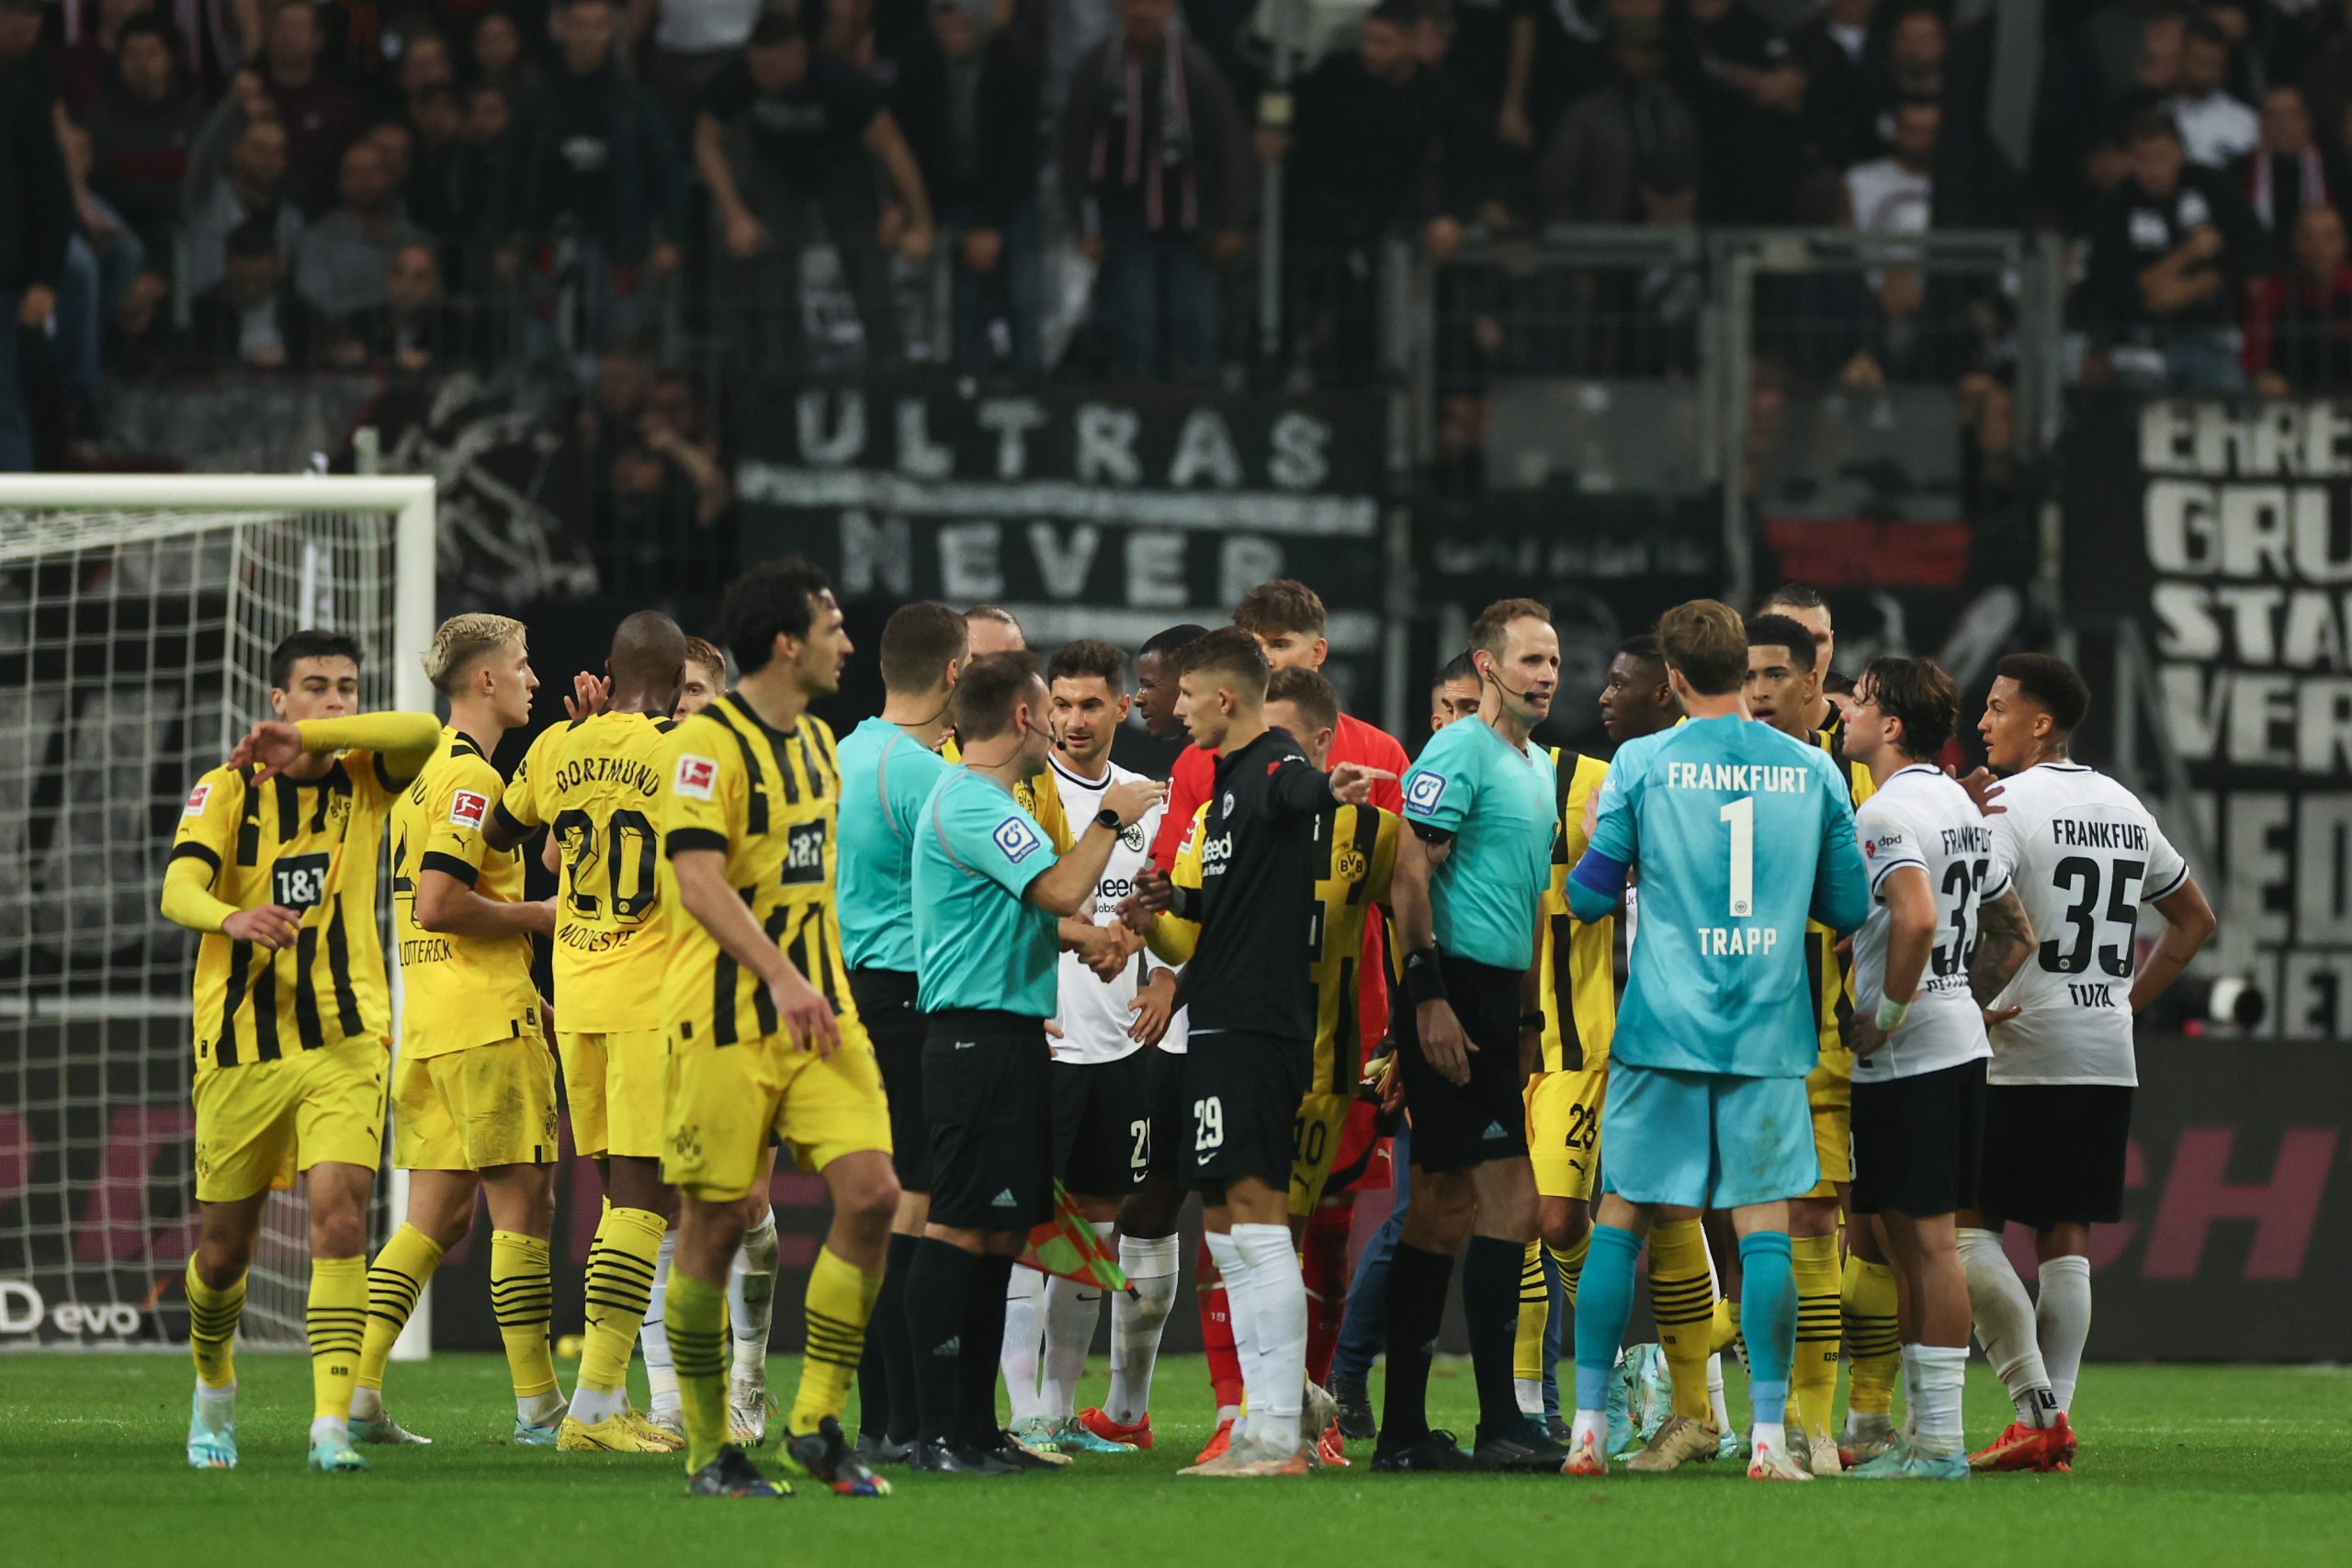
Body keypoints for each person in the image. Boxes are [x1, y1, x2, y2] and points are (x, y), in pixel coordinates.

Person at [1563, 598, 1869, 1483]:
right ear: (1744, 669)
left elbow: (1588, 897)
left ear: (1671, 679)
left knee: (1620, 1217)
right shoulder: (1810, 771)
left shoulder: (1642, 762)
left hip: (1660, 1027)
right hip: (1768, 1031)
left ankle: (1587, 1429)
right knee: (1764, 1228)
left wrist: (1597, 844)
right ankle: (1770, 1439)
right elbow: (1847, 908)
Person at [652, 558, 901, 1500]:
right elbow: (699, 880)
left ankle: (815, 1423)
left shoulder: (818, 745)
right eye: (833, 626)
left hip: (818, 1015)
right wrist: (783, 978)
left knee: (873, 1192)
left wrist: (814, 986)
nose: (847, 642)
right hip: (724, 1023)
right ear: (787, 642)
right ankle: (710, 1451)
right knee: (712, 1230)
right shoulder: (706, 745)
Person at [164, 633, 440, 1473]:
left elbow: (424, 732)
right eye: (313, 688)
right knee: (224, 1253)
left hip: (347, 1037)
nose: (333, 700)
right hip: (242, 1047)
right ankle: (214, 1387)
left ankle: (328, 1423)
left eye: (345, 688)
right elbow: (176, 889)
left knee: (343, 1214)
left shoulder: (364, 776)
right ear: (275, 699)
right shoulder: (226, 787)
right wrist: (231, 917)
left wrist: (318, 740)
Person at [1119, 633, 1383, 1478]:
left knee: (1261, 1224)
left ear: (1224, 699)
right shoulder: (1227, 790)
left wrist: (1328, 785)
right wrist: (1175, 896)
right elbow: (1228, 900)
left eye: (1188, 694)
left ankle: (1275, 1433)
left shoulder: (1268, 766)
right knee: (1232, 1230)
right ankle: (1261, 1429)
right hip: (1224, 1025)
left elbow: (1301, 790)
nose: (1176, 707)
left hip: (1262, 1029)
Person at [902, 650, 1162, 1473]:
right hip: (975, 1038)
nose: (1058, 722)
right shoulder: (979, 802)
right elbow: (1055, 889)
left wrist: (1090, 935)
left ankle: (976, 1427)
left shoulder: (986, 800)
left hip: (1008, 1036)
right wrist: (1112, 818)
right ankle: (935, 1426)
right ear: (1023, 716)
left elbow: (1034, 916)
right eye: (1051, 706)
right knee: (957, 1226)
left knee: (998, 1228)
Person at [1956, 654, 2216, 1473]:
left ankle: (2033, 1405)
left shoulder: (2005, 803)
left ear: (2042, 722)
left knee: (1965, 1226)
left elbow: (1992, 918)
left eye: (1999, 709)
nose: (1985, 722)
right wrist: (2123, 1004)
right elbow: (2194, 918)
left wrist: (1967, 998)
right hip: (2103, 1050)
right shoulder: (2121, 803)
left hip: (2017, 1041)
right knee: (2064, 1236)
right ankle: (2056, 1422)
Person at [487, 611, 692, 1455]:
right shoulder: (684, 755)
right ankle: (598, 1405)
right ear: (680, 683)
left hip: (573, 991)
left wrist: (576, 751)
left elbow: (503, 832)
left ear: (609, 667)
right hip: (649, 998)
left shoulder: (555, 748)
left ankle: (601, 1398)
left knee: (619, 1195)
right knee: (652, 1199)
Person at [353, 616, 560, 1448]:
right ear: (484, 681)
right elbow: (441, 900)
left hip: (433, 1020)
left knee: (435, 1220)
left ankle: (357, 1393)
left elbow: (422, 911)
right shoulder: (473, 780)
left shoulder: (422, 776)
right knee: (525, 1210)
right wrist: (539, 915)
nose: (532, 678)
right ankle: (542, 1406)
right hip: (483, 1022)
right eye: (521, 664)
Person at [1379, 598, 1567, 1473]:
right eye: (1530, 659)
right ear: (1487, 667)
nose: (1547, 673)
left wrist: (1525, 1020)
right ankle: (1500, 1421)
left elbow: (1528, 897)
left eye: (1554, 659)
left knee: (1443, 1207)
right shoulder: (1458, 749)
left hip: (1496, 1004)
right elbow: (1409, 870)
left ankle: (1403, 1432)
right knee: (1510, 1202)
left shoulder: (1534, 765)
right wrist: (1426, 998)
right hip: (1449, 991)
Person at [1837, 656, 2011, 1481]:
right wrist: (1960, 994)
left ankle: (1940, 1442)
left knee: (1928, 1244)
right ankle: (1923, 1432)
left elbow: (1915, 913)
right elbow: (2012, 928)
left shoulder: (1887, 809)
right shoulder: (1955, 801)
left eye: (1862, 701)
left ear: (1893, 724)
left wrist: (1895, 1011)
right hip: (1953, 1039)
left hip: (1913, 1053)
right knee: (1906, 1242)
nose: (1848, 713)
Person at [1001, 639, 1176, 1456]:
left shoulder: (1147, 799)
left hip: (1120, 1047)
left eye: (1089, 705)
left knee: (1097, 1229)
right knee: (1028, 1232)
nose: (1073, 721)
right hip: (1045, 1040)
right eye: (1061, 705)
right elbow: (1012, 903)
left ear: (1121, 707)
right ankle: (1025, 1405)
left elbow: (1166, 903)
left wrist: (1163, 965)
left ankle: (1064, 1408)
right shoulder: (1030, 792)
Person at [1739, 611, 1875, 1472]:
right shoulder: (1696, 755)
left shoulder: (1855, 776)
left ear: (1814, 681)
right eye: (1748, 675)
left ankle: (1819, 1422)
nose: (1758, 691)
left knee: (1815, 1221)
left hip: (1821, 1033)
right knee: (1708, 1220)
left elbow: (1868, 900)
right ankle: (1705, 1401)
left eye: (1776, 675)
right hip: (1720, 1033)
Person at [833, 602, 969, 1464]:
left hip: (851, 992)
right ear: (955, 674)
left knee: (876, 1207)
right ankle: (918, 1420)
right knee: (921, 1202)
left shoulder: (841, 755)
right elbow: (1004, 878)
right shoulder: (923, 773)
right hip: (914, 998)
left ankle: (879, 1417)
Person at [697, 9, 933, 371]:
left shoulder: (839, 80)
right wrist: (735, 215)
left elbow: (892, 148)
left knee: (865, 259)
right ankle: (781, 375)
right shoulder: (741, 76)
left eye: (773, 67)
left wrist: (915, 218)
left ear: (798, 54)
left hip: (841, 164)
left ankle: (889, 367)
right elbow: (705, 140)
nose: (763, 76)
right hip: (778, 166)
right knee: (772, 264)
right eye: (758, 66)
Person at [1062, 0, 1249, 381]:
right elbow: (1074, 149)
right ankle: (1139, 411)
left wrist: (1231, 221)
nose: (1141, 12)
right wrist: (1081, 226)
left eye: (1152, 2)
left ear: (1169, 8)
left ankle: (1201, 408)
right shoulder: (1100, 67)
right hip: (1126, 217)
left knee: (1196, 323)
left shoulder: (1196, 68)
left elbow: (1229, 147)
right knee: (1135, 324)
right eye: (1132, 3)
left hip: (1190, 216)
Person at [499, 0, 685, 362]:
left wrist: (672, 239)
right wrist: (502, 240)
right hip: (546, 243)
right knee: (541, 352)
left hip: (620, 244)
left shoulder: (634, 101)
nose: (588, 35)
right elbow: (509, 172)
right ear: (561, 29)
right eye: (579, 25)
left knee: (623, 351)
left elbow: (668, 171)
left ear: (611, 32)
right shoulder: (537, 102)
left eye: (598, 25)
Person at [2083, 108, 2262, 393]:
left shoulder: (2212, 186)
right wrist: (2188, 253)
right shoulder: (2114, 206)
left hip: (2210, 333)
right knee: (2140, 405)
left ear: (2180, 152)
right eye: (2144, 159)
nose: (2155, 169)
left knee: (2224, 399)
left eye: (2163, 157)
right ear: (2131, 160)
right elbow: (2116, 282)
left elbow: (2253, 247)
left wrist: (2197, 286)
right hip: (2139, 340)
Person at [1, 45, 68, 472]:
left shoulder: (17, 97)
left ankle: (12, 533)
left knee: (4, 408)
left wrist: (45, 277)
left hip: (4, 283)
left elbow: (49, 191)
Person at [294, 138, 429, 323]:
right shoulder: (317, 241)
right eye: (353, 173)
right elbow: (316, 305)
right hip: (342, 343)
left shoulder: (417, 239)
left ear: (390, 177)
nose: (364, 181)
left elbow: (435, 304)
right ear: (339, 181)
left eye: (372, 171)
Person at [2244, 203, 2352, 394]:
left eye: (2328, 237)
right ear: (2294, 242)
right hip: (2290, 403)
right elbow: (2252, 355)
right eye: (2308, 237)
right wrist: (2261, 377)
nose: (2318, 248)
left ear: (2343, 243)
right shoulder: (2273, 291)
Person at [1113, 621, 1209, 779]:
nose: (1139, 700)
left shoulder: (1228, 766)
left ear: (1187, 683)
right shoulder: (1138, 755)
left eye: (1149, 685)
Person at [1597, 635, 1678, 744]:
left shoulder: (1699, 753)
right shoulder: (1633, 756)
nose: (1603, 699)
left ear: (1664, 694)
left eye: (1618, 685)